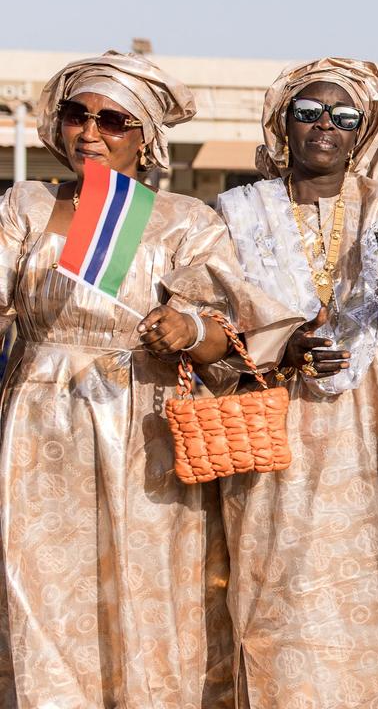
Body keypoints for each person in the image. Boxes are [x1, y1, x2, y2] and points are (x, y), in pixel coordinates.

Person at [0, 51, 299, 706]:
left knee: (145, 592)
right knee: (42, 592)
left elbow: (239, 335)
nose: (90, 133)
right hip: (36, 434)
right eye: (78, 115)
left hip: (144, 437)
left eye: (113, 121)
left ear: (147, 138)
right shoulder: (24, 205)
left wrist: (189, 330)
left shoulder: (184, 221)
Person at [214, 57, 378, 706]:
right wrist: (279, 346)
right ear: (282, 125)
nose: (326, 125)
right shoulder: (237, 212)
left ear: (362, 132)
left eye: (344, 117)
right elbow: (208, 323)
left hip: (377, 432)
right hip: (275, 434)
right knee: (279, 588)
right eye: (310, 112)